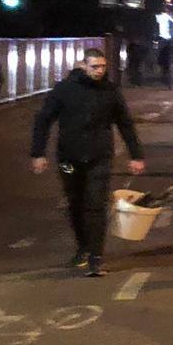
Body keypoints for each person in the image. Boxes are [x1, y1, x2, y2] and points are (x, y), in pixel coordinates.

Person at [30, 48, 145, 278]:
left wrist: (136, 155)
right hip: (67, 159)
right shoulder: (64, 90)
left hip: (99, 157)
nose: (99, 71)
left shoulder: (110, 91)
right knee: (74, 202)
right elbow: (44, 120)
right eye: (95, 67)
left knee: (95, 205)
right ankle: (82, 247)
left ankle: (95, 257)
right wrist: (38, 153)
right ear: (83, 65)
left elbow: (125, 123)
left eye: (103, 66)